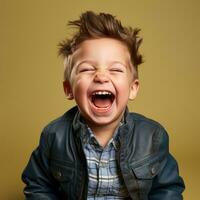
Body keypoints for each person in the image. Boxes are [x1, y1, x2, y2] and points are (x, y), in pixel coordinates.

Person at [22, 11, 185, 200]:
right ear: (68, 89)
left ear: (133, 88)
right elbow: (38, 186)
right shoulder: (54, 136)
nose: (101, 76)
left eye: (115, 69)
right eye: (87, 69)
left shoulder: (152, 137)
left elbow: (168, 190)